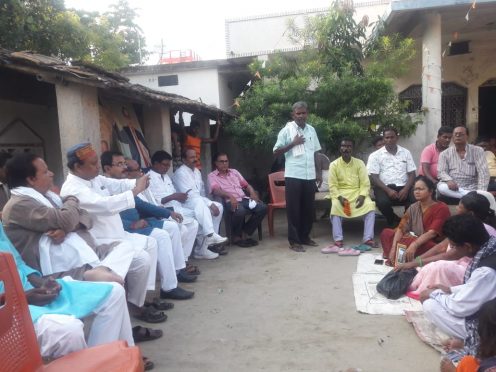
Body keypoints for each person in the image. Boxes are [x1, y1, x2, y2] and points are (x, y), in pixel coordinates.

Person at [59, 143, 164, 323]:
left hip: (116, 235)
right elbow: (105, 205)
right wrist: (136, 190)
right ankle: (124, 304)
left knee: (144, 256)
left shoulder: (93, 178)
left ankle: (136, 303)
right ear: (77, 167)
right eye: (93, 163)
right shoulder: (73, 188)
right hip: (99, 242)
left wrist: (136, 181)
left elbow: (115, 184)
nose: (97, 167)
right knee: (138, 259)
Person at [0, 224, 135, 360]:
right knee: (68, 331)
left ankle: (101, 361)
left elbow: (18, 263)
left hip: (28, 291)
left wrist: (42, 283)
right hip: (8, 309)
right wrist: (21, 298)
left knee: (114, 292)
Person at [2, 153, 134, 284]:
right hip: (57, 269)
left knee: (125, 247)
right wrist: (71, 198)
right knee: (114, 289)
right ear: (31, 179)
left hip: (82, 253)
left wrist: (66, 229)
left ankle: (102, 271)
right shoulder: (19, 205)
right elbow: (66, 219)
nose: (51, 174)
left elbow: (86, 217)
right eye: (45, 172)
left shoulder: (48, 197)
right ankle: (103, 276)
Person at [101, 151, 195, 299]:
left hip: (140, 223)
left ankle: (176, 273)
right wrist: (132, 225)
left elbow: (141, 204)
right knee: (162, 236)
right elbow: (108, 218)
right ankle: (167, 288)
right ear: (107, 169)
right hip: (127, 229)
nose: (124, 168)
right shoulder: (104, 189)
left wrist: (168, 213)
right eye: (120, 164)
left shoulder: (122, 183)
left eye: (124, 164)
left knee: (172, 227)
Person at [421, 214, 496, 359]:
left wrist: (433, 294)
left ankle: (473, 341)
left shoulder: (485, 272)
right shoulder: (491, 245)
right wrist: (449, 289)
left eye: (454, 246)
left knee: (430, 305)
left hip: (490, 325)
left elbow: (459, 307)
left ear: (467, 246)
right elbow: (477, 288)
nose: (452, 250)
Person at [395, 191, 496, 299]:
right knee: (426, 266)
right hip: (454, 262)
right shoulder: (463, 225)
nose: (456, 208)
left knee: (438, 266)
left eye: (460, 207)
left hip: (469, 269)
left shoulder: (480, 230)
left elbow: (450, 254)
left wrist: (416, 262)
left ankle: (429, 292)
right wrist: (417, 261)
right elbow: (442, 246)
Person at [126, 158, 199, 275]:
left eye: (141, 169)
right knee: (174, 231)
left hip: (159, 213)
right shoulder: (129, 185)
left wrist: (166, 211)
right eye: (137, 170)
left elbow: (152, 202)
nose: (141, 172)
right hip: (144, 220)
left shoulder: (142, 181)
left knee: (189, 224)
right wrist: (167, 212)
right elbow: (143, 205)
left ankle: (180, 266)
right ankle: (177, 270)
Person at [147, 150, 222, 260]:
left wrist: (180, 197)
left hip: (178, 207)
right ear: (155, 163)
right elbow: (152, 203)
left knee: (203, 215)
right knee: (196, 220)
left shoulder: (166, 177)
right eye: (165, 165)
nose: (167, 168)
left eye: (169, 165)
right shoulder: (149, 178)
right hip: (164, 211)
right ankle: (186, 257)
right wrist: (174, 196)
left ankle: (200, 249)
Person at [273, 101, 322, 252]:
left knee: (308, 209)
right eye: (298, 113)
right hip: (294, 175)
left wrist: (318, 173)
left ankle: (305, 237)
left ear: (307, 114)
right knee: (294, 210)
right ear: (293, 115)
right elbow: (276, 151)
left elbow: (316, 152)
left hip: (309, 175)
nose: (301, 116)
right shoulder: (286, 131)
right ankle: (294, 241)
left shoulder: (311, 130)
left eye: (303, 113)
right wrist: (293, 143)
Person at [321, 139, 376, 255]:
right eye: (343, 146)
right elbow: (333, 185)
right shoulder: (334, 164)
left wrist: (362, 196)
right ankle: (338, 240)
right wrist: (339, 197)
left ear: (353, 149)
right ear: (340, 148)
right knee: (335, 206)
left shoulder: (359, 163)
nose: (346, 148)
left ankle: (368, 239)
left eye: (349, 146)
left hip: (357, 192)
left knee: (370, 206)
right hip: (340, 193)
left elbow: (365, 183)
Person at [380, 175, 451, 264]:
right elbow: (401, 228)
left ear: (430, 191)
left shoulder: (441, 208)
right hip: (415, 239)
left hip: (430, 244)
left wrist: (414, 244)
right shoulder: (413, 207)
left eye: (420, 189)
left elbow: (432, 233)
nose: (417, 192)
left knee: (409, 242)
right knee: (387, 233)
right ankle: (396, 254)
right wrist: (394, 248)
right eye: (415, 189)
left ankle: (399, 257)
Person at [208, 152, 267, 247]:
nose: (224, 164)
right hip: (229, 201)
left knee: (262, 207)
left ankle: (245, 232)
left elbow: (247, 185)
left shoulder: (234, 172)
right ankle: (236, 236)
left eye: (226, 161)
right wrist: (230, 196)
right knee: (240, 211)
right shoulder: (212, 176)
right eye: (221, 161)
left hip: (243, 198)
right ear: (216, 163)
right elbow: (216, 190)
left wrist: (252, 193)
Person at [367, 127, 417, 227]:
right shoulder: (375, 155)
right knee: (382, 203)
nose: (389, 140)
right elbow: (375, 177)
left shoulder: (406, 153)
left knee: (415, 199)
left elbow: (412, 173)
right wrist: (388, 190)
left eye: (392, 137)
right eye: (387, 137)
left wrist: (406, 189)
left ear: (397, 138)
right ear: (383, 139)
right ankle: (393, 219)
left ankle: (406, 220)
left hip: (404, 186)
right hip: (384, 187)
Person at [437, 126, 489, 199]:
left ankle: (472, 196)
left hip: (472, 186)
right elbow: (441, 171)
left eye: (461, 134)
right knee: (442, 187)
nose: (458, 136)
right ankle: (470, 196)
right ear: (453, 137)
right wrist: (449, 180)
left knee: (480, 192)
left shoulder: (478, 151)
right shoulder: (444, 154)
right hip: (453, 187)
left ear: (467, 136)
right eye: (456, 134)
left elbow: (483, 173)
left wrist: (481, 192)